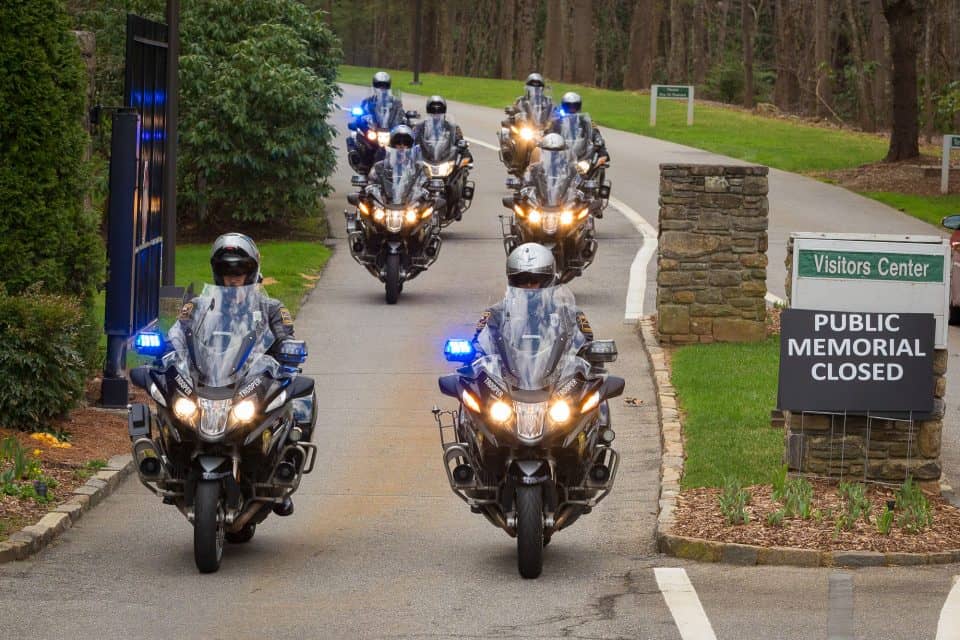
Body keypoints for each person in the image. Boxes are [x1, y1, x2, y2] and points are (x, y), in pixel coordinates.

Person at [168, 233, 299, 516]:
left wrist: (288, 351)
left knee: (296, 397)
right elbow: (178, 333)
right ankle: (173, 470)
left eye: (240, 271)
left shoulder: (270, 307)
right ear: (218, 273)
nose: (233, 277)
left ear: (251, 271)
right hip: (209, 379)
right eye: (227, 271)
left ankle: (281, 480)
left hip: (250, 379)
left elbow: (285, 339)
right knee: (169, 400)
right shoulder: (200, 305)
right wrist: (169, 348)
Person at [473, 243, 593, 344]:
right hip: (505, 369)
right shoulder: (495, 313)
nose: (528, 285)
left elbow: (587, 343)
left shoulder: (568, 313)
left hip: (559, 369)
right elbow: (478, 342)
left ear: (548, 281)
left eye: (534, 280)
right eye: (522, 280)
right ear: (513, 282)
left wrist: (586, 349)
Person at [414, 96, 473, 220]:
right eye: (433, 110)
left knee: (460, 170)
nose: (436, 113)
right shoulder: (420, 127)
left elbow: (460, 140)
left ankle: (457, 203)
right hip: (428, 159)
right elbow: (412, 140)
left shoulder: (452, 127)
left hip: (444, 159)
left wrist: (463, 151)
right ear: (428, 111)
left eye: (439, 110)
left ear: (443, 111)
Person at [550, 91, 609, 166]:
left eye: (574, 106)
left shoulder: (585, 120)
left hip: (581, 155)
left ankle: (596, 176)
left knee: (596, 164)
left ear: (579, 107)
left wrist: (600, 144)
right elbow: (548, 134)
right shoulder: (557, 120)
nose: (572, 109)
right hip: (561, 154)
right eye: (569, 106)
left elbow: (595, 132)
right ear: (563, 106)